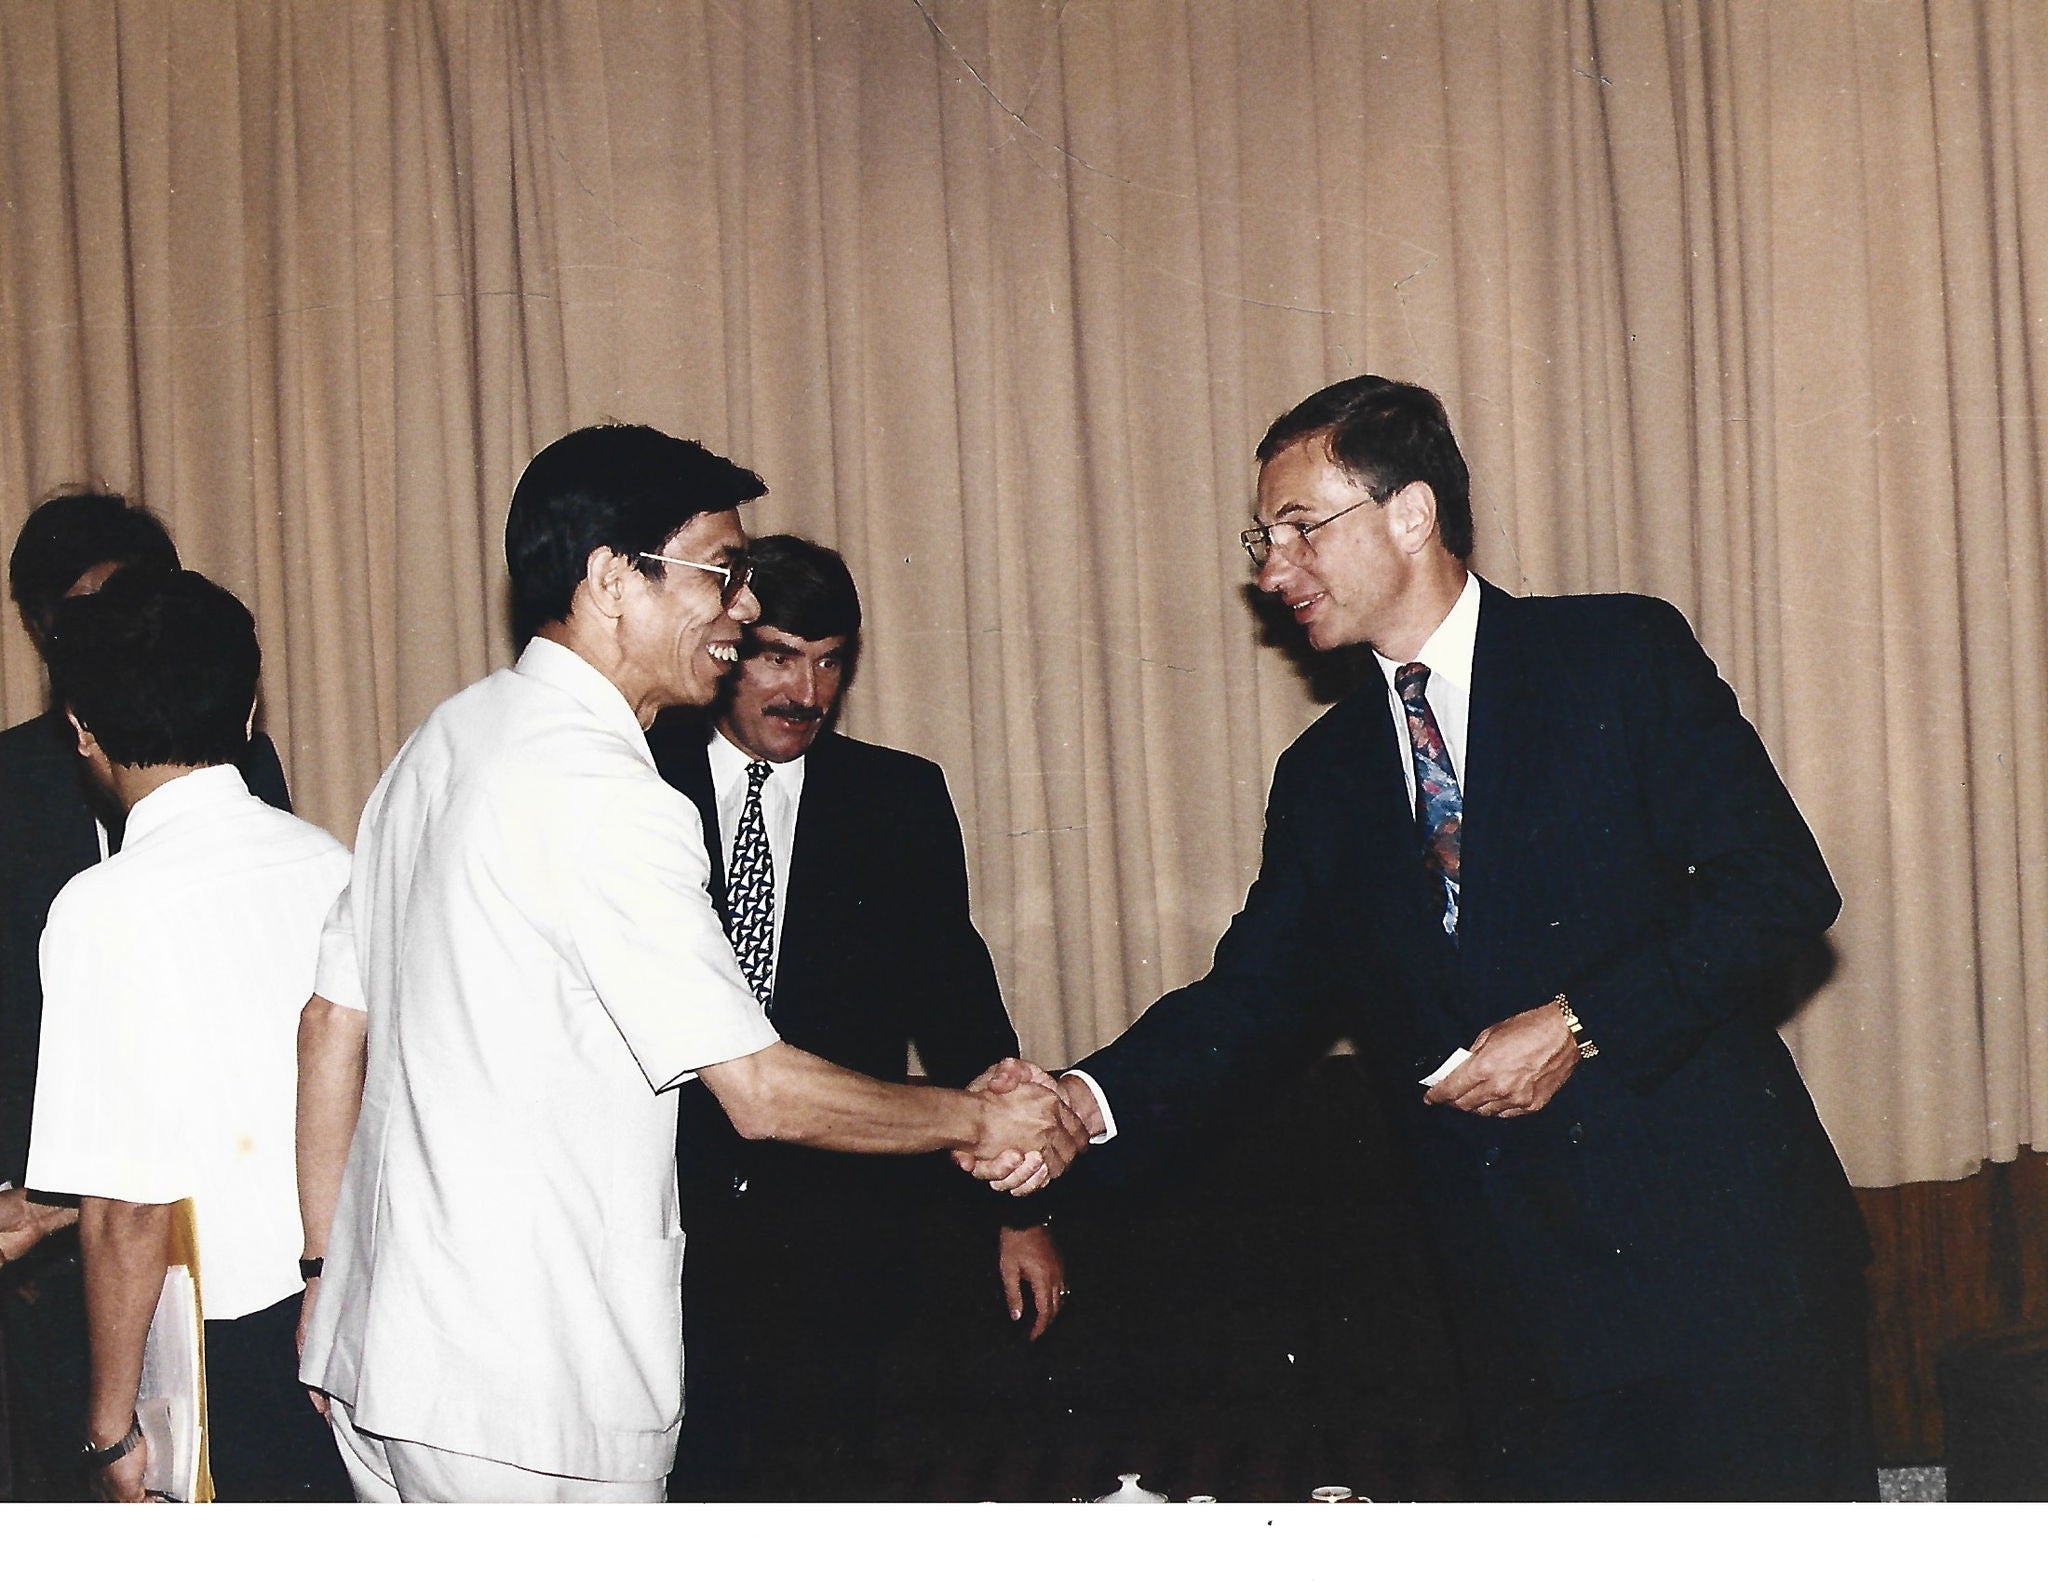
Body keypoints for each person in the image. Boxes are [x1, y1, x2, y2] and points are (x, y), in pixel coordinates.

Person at [988, 375, 1875, 1500]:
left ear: (1410, 513)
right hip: (1525, 1326)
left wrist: (1577, 1022)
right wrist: (1079, 1100)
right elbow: (1246, 1002)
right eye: (1262, 540)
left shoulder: (1613, 655)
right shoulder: (1321, 776)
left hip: (1732, 1285)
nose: (1271, 570)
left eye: (1299, 528)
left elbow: (1777, 887)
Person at [295, 423, 1084, 1504]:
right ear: (611, 580)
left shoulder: (446, 737)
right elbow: (756, 1091)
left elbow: (331, 1021)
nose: (744, 608)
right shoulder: (606, 790)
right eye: (719, 572)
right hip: (529, 1390)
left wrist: (321, 1273)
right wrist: (982, 1121)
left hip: (384, 1354)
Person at [649, 536, 1066, 1500]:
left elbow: (960, 1004)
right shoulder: (638, 774)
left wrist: (1024, 1209)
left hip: (837, 1234)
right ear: (725, 648)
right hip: (659, 1217)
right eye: (780, 655)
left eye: (833, 658)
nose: (811, 689)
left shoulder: (897, 798)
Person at [23, 568, 350, 1501]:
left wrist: (108, 1428)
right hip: (347, 1321)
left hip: (220, 1349)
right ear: (249, 707)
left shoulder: (100, 909)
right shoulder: (327, 858)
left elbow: (127, 1209)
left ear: (81, 726)